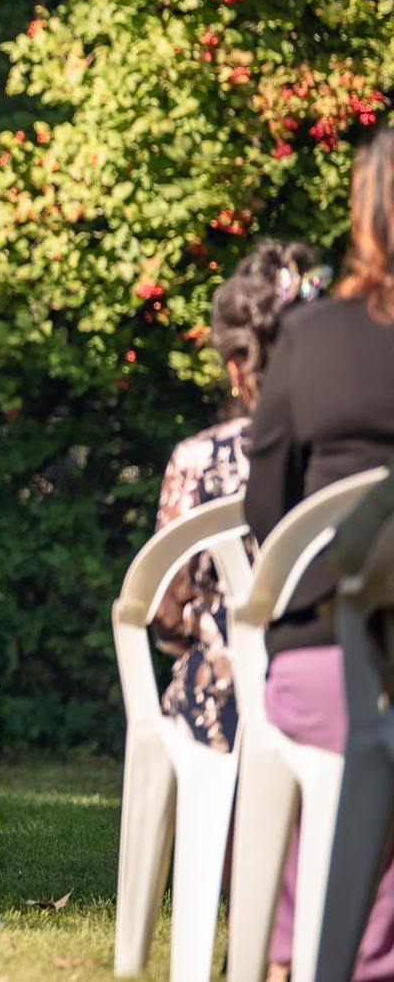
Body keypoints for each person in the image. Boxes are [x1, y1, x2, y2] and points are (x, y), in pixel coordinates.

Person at [245, 127, 394, 979]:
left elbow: (270, 510)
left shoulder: (309, 337)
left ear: (364, 213)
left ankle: (308, 952)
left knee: (342, 770)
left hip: (328, 656)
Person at [150, 239, 325, 752]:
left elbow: (165, 615)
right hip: (338, 694)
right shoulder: (349, 453)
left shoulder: (197, 460)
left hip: (223, 711)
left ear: (234, 367)